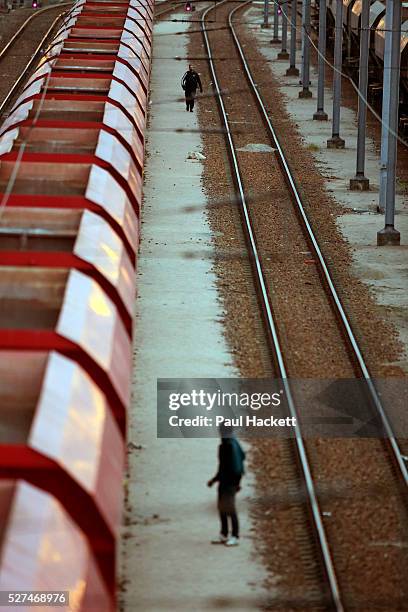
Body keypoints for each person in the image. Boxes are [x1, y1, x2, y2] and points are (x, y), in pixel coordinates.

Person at [207, 424, 246, 546]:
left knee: (229, 508)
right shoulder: (233, 441)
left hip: (228, 482)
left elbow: (225, 467)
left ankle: (234, 535)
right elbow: (242, 457)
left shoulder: (226, 446)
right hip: (229, 481)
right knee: (222, 507)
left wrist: (215, 480)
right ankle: (225, 534)